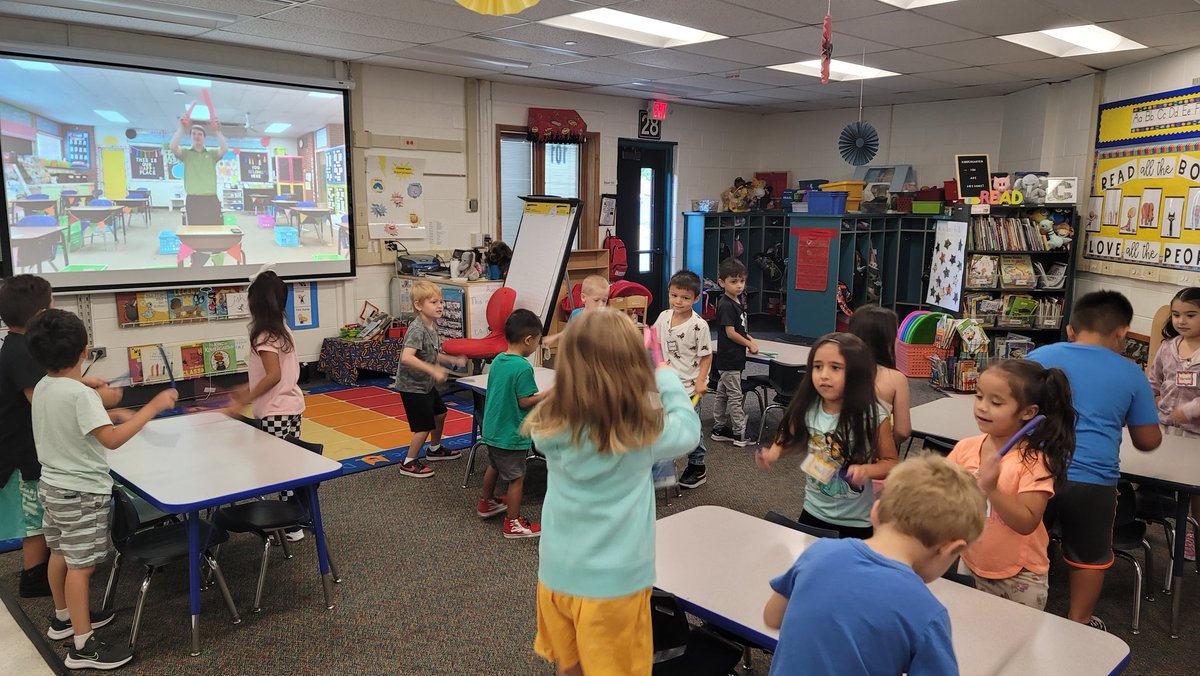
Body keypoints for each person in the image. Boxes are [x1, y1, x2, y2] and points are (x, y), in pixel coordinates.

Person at [525, 309, 700, 676]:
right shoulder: (640, 431)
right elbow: (687, 429)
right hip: (615, 584)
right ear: (631, 364)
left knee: (570, 664)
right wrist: (663, 375)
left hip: (558, 574)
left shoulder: (551, 421)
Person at [27, 309, 177, 670]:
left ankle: (63, 618)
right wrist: (152, 408)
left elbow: (75, 421)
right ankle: (83, 647)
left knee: (60, 554)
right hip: (80, 494)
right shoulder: (79, 396)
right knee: (82, 567)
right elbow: (110, 441)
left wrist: (101, 402)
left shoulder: (45, 385)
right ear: (84, 350)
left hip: (53, 487)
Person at [763, 455, 986, 676]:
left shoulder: (818, 552)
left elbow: (772, 617)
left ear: (875, 512)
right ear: (952, 549)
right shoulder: (927, 614)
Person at [1027, 290, 1162, 630]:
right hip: (1093, 482)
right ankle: (1079, 622)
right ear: (1122, 333)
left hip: (1032, 473)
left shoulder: (1039, 355)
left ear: (1071, 330)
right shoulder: (1130, 373)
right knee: (1088, 558)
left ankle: (1023, 611)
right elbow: (1147, 441)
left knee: (1025, 546)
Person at [0, 275, 121, 598]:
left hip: (33, 453)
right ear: (41, 314)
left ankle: (47, 576)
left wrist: (79, 383)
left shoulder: (18, 347)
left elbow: (50, 386)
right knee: (36, 524)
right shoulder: (21, 354)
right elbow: (43, 396)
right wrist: (97, 398)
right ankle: (33, 577)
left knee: (44, 524)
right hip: (25, 457)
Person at [947, 360, 1075, 609]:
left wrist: (991, 489)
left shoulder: (1034, 462)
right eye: (979, 396)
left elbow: (1027, 522)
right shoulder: (966, 448)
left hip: (1019, 577)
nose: (982, 407)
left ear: (1028, 412)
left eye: (996, 403)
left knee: (1016, 644)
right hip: (971, 561)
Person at [757, 333, 898, 539]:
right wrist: (774, 453)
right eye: (817, 366)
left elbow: (891, 463)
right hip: (813, 511)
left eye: (835, 368)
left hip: (856, 522)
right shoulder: (809, 407)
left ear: (856, 374)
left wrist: (867, 470)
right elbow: (788, 437)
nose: (823, 375)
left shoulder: (873, 415)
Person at [223, 268, 308, 540]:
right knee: (286, 463)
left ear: (255, 303)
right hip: (289, 406)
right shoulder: (281, 330)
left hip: (276, 410)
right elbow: (270, 375)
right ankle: (295, 518)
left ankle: (292, 525)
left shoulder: (263, 336)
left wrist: (244, 400)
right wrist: (246, 389)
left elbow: (273, 376)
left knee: (281, 467)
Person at [476, 309, 547, 538]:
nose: (537, 346)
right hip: (511, 433)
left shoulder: (498, 360)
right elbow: (524, 401)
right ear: (528, 340)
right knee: (517, 478)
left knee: (494, 465)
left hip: (493, 429)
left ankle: (486, 502)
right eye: (537, 341)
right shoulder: (523, 367)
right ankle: (513, 522)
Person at [1147, 286, 1200, 559]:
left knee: (1194, 491)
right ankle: (1159, 523)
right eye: (1177, 314)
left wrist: (1189, 410)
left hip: (1195, 435)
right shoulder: (1168, 348)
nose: (1182, 321)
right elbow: (1154, 381)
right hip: (1165, 427)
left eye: (1191, 315)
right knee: (1157, 477)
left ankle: (1193, 532)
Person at [394, 281, 467, 478]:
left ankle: (434, 449)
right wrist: (433, 370)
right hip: (412, 387)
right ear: (418, 306)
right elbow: (407, 357)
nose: (440, 305)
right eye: (434, 302)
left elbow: (433, 353)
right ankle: (408, 462)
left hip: (425, 384)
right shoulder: (417, 329)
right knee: (423, 426)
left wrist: (452, 360)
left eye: (441, 301)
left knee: (440, 414)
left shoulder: (431, 326)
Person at [651, 270, 712, 489]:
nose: (679, 301)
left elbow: (706, 356)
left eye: (685, 298)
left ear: (696, 298)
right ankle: (661, 464)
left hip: (689, 388)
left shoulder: (699, 326)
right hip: (666, 385)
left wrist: (701, 381)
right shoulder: (663, 316)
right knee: (664, 425)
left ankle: (697, 465)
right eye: (674, 295)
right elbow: (655, 342)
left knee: (689, 428)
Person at [710, 257, 759, 447]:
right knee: (735, 396)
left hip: (732, 359)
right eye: (733, 282)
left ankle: (719, 427)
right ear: (722, 282)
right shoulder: (726, 305)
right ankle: (740, 434)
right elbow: (731, 333)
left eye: (741, 281)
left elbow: (740, 327)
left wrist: (749, 337)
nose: (739, 286)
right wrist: (748, 344)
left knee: (722, 394)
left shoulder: (736, 301)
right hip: (730, 359)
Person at [169, 114, 227, 265]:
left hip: (211, 200)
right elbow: (173, 147)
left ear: (204, 137)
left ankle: (217, 261)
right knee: (196, 234)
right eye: (194, 133)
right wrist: (182, 128)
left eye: (200, 134)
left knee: (215, 233)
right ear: (190, 137)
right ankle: (197, 262)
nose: (197, 136)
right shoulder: (186, 154)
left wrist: (217, 131)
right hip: (194, 200)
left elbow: (224, 148)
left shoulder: (212, 154)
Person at [848, 305, 912, 443]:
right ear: (886, 341)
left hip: (832, 453)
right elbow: (903, 431)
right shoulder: (896, 379)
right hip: (876, 455)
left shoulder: (839, 371)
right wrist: (884, 448)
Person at [543, 274, 609, 349]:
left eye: (604, 300)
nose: (601, 304)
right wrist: (554, 337)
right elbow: (569, 332)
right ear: (583, 297)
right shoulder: (576, 314)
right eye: (596, 300)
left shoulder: (606, 318)